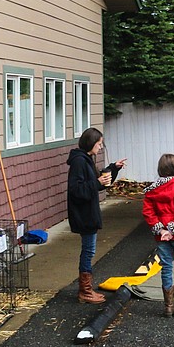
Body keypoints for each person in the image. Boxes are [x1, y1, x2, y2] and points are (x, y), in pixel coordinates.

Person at [67, 127, 126, 304]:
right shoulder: (79, 162)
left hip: (88, 211)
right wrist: (97, 182)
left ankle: (86, 289)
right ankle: (85, 291)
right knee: (88, 251)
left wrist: (113, 169)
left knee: (88, 250)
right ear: (91, 143)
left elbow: (96, 184)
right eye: (99, 144)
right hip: (84, 213)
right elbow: (76, 189)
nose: (100, 147)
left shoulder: (85, 159)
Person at [143, 153, 174, 317]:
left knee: (166, 268)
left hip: (161, 236)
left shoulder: (152, 190)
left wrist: (162, 230)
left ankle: (168, 307)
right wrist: (172, 229)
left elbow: (148, 212)